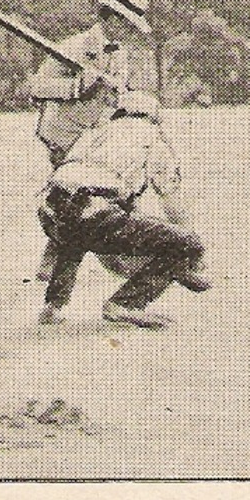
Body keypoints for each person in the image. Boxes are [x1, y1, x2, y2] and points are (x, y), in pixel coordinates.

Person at [37, 91, 209, 329]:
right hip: (93, 212)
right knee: (188, 242)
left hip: (48, 209)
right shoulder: (152, 139)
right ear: (155, 118)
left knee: (74, 233)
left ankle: (52, 307)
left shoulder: (93, 133)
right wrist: (193, 257)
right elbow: (172, 206)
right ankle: (125, 304)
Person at [28, 0, 153, 280]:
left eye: (132, 26)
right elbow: (36, 89)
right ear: (108, 18)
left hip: (95, 135)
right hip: (64, 135)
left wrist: (119, 96)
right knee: (75, 199)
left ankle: (115, 255)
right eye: (124, 23)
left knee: (106, 194)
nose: (129, 31)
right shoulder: (73, 47)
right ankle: (63, 266)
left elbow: (115, 93)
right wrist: (77, 87)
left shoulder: (120, 54)